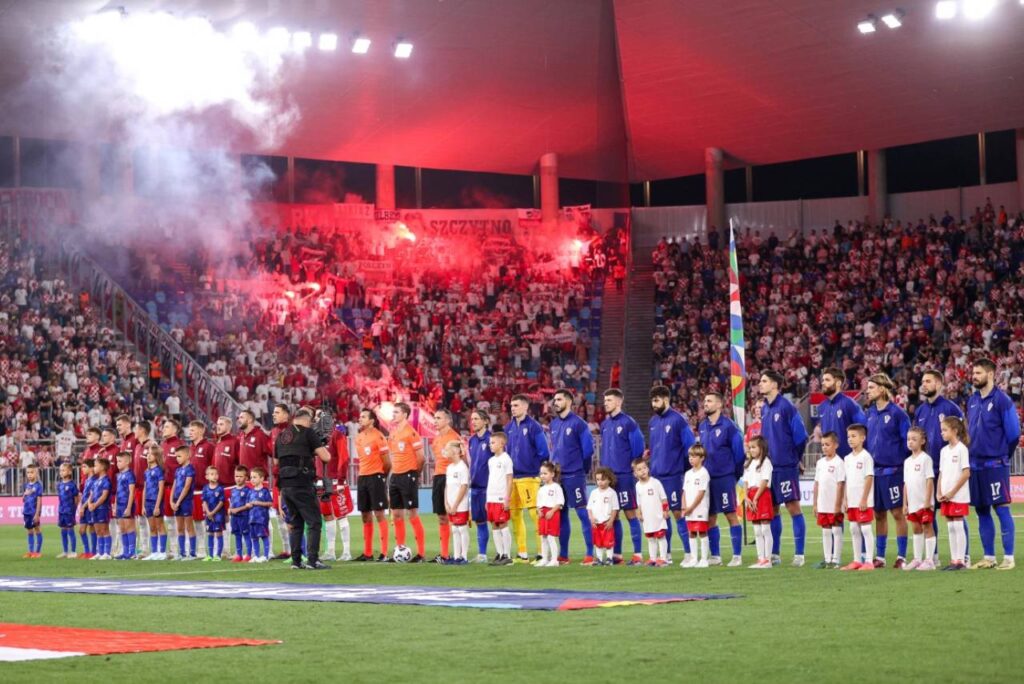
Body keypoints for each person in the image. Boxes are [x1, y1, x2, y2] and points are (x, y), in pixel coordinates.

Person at [965, 358, 1019, 570]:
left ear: (990, 374)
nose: (974, 376)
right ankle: (989, 556)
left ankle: (1008, 557)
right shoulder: (972, 400)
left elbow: (1014, 433)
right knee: (981, 510)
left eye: (978, 373)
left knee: (1002, 509)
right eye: (973, 373)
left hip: (995, 464)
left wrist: (1002, 455)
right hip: (975, 465)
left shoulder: (1002, 400)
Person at [914, 369, 966, 563]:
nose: (924, 384)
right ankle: (932, 556)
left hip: (947, 469)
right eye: (922, 381)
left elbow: (962, 436)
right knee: (929, 512)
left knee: (956, 514)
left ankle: (963, 555)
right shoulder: (919, 410)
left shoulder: (951, 408)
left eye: (928, 381)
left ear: (938, 384)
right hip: (926, 470)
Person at [759, 370, 808, 566]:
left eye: (764, 381)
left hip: (786, 466)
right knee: (772, 509)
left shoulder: (787, 407)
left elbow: (801, 436)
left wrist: (794, 458)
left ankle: (799, 555)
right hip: (769, 468)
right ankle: (775, 553)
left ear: (774, 385)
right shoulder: (765, 408)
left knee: (792, 506)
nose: (760, 384)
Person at [274, 406, 332, 570]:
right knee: (314, 522)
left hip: (285, 485)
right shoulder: (308, 433)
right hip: (302, 483)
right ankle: (313, 560)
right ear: (306, 419)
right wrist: (317, 445)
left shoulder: (281, 436)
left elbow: (277, 462)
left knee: (296, 523)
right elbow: (326, 457)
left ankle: (296, 561)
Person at [864, 373, 911, 569]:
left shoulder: (898, 414)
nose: (868, 391)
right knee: (879, 514)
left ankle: (901, 556)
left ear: (882, 389)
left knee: (897, 513)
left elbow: (907, 443)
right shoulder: (870, 413)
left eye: (871, 387)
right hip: (875, 472)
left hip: (894, 471)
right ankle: (881, 557)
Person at [647, 385, 696, 564]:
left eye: (657, 400)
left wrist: (680, 469)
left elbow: (689, 447)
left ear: (666, 400)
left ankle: (689, 553)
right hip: (657, 476)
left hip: (673, 476)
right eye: (652, 401)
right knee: (661, 515)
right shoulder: (653, 422)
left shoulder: (678, 420)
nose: (654, 404)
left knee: (677, 513)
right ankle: (665, 554)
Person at [697, 392, 746, 567]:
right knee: (710, 517)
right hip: (707, 479)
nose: (705, 404)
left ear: (719, 405)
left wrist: (735, 474)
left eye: (709, 401)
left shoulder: (729, 426)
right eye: (705, 401)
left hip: (725, 477)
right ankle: (715, 556)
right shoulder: (702, 426)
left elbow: (739, 454)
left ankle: (737, 556)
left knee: (731, 514)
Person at [599, 388, 646, 565]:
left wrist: (629, 468)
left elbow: (638, 448)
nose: (606, 403)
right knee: (613, 515)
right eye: (605, 400)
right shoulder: (604, 424)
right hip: (609, 478)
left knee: (630, 513)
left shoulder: (628, 423)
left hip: (625, 475)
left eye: (609, 400)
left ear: (618, 402)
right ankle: (616, 554)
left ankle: (638, 554)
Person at [549, 389, 595, 565]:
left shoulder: (579, 424)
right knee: (561, 514)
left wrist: (580, 470)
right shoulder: (553, 424)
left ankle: (590, 553)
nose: (555, 402)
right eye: (554, 400)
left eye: (559, 399)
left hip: (574, 475)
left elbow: (588, 450)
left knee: (582, 513)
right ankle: (564, 555)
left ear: (568, 402)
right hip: (558, 477)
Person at [505, 394, 549, 563]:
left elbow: (544, 452)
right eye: (511, 405)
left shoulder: (534, 427)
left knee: (535, 515)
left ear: (525, 407)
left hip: (529, 477)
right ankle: (522, 553)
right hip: (513, 479)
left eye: (516, 405)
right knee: (515, 516)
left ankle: (541, 552)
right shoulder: (509, 428)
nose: (513, 408)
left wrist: (534, 469)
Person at [386, 402, 426, 563]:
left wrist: (415, 474)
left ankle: (421, 554)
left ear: (404, 414)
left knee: (412, 513)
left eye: (396, 412)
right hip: (395, 476)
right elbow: (393, 456)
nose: (393, 415)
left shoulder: (412, 433)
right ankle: (399, 549)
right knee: (396, 514)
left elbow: (421, 457)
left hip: (408, 476)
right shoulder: (393, 433)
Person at [354, 408, 390, 562]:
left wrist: (381, 477)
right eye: (360, 416)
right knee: (365, 515)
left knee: (379, 514)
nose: (360, 419)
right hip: (362, 478)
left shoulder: (379, 436)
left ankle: (384, 553)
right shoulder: (359, 437)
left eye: (363, 417)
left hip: (376, 477)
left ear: (372, 420)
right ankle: (368, 553)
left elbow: (387, 462)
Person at [938, 417, 971, 571]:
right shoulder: (943, 451)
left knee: (958, 525)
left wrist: (952, 492)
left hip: (958, 495)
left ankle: (961, 561)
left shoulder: (961, 449)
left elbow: (966, 473)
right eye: (941, 430)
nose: (942, 433)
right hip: (946, 495)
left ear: (955, 431)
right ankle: (954, 559)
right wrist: (939, 492)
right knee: (951, 527)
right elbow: (941, 473)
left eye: (945, 430)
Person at [841, 424, 875, 572]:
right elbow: (846, 480)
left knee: (866, 529)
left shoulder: (866, 456)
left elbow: (869, 478)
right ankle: (856, 560)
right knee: (853, 528)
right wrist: (845, 499)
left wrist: (864, 499)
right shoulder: (847, 458)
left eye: (854, 436)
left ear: (863, 438)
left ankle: (869, 561)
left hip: (863, 500)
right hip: (852, 500)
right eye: (849, 436)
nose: (850, 439)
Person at [902, 427, 936, 571]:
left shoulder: (925, 459)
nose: (910, 442)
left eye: (914, 439)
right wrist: (905, 503)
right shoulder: (907, 461)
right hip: (913, 503)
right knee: (916, 529)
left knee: (927, 528)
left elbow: (929, 480)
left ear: (922, 441)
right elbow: (906, 484)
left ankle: (929, 560)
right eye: (909, 439)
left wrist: (928, 501)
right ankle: (917, 558)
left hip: (924, 502)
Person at [431, 408, 462, 563]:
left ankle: (458, 554)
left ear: (448, 420)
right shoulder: (435, 439)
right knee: (441, 516)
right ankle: (444, 554)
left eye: (438, 418)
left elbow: (462, 461)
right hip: (438, 477)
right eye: (434, 418)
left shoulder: (455, 438)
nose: (435, 421)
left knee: (453, 516)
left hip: (450, 478)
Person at [321, 417, 352, 562]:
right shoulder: (317, 437)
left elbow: (344, 458)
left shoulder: (337, 435)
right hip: (322, 482)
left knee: (341, 514)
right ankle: (331, 551)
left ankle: (346, 552)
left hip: (335, 481)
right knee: (327, 516)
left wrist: (341, 480)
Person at [813, 432, 846, 569]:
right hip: (822, 503)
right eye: (822, 445)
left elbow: (841, 484)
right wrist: (815, 504)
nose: (825, 447)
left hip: (834, 504)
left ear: (836, 445)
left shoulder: (839, 463)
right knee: (825, 531)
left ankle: (836, 559)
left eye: (828, 444)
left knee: (836, 530)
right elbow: (817, 484)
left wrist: (838, 504)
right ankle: (827, 559)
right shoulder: (820, 463)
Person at [818, 367, 866, 457]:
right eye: (823, 380)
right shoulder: (822, 406)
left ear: (838, 383)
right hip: (828, 461)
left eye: (827, 380)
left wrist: (859, 456)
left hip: (847, 462)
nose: (823, 383)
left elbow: (864, 429)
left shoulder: (849, 404)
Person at [742, 437, 773, 569]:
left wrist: (756, 497)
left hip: (762, 495)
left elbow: (765, 481)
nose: (751, 450)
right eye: (750, 447)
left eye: (754, 447)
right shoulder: (748, 464)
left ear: (762, 448)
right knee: (756, 530)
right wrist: (747, 497)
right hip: (751, 495)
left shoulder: (766, 462)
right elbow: (745, 482)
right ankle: (760, 558)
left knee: (765, 527)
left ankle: (768, 559)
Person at [633, 457, 669, 567]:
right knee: (650, 538)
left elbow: (664, 498)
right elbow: (638, 502)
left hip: (658, 515)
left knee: (661, 536)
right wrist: (639, 513)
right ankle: (653, 558)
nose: (643, 471)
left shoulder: (655, 483)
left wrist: (665, 510)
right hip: (647, 517)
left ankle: (663, 558)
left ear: (648, 469)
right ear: (635, 473)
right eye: (639, 469)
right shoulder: (638, 486)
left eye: (644, 468)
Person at [486, 430, 515, 566]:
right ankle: (499, 553)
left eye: (493, 442)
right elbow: (491, 480)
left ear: (502, 443)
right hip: (491, 497)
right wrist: (487, 499)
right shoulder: (491, 461)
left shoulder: (506, 459)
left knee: (503, 524)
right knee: (494, 525)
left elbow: (509, 479)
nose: (490, 445)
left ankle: (507, 555)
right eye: (490, 443)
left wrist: (507, 498)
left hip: (500, 497)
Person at [188, 420, 215, 558]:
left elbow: (214, 467)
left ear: (201, 431)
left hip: (205, 490)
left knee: (207, 521)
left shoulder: (209, 447)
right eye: (189, 430)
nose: (189, 433)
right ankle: (200, 549)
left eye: (192, 430)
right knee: (196, 521)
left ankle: (213, 550)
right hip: (192, 491)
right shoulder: (190, 448)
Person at [468, 409, 492, 563]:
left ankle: (504, 553)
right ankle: (482, 554)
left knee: (497, 521)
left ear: (485, 421)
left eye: (477, 419)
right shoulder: (472, 440)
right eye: (472, 419)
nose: (474, 422)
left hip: (488, 487)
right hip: (475, 486)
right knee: (480, 521)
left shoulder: (491, 439)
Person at [681, 445, 710, 568]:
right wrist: (684, 507)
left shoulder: (703, 473)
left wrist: (691, 508)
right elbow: (684, 492)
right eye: (690, 456)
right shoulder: (688, 474)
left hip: (699, 508)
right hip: (688, 509)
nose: (691, 459)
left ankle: (704, 559)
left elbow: (701, 493)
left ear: (702, 458)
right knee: (691, 532)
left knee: (702, 532)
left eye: (694, 456)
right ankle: (693, 559)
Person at [159, 419, 185, 556]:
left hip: (178, 487)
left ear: (174, 429)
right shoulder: (162, 445)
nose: (163, 429)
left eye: (167, 427)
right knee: (168, 519)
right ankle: (174, 548)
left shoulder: (180, 445)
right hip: (165, 486)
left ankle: (185, 550)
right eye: (164, 426)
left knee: (180, 519)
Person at [443, 440, 471, 565]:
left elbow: (463, 487)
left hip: (460, 504)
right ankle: (456, 556)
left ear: (455, 451)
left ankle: (464, 557)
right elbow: (447, 487)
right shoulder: (449, 468)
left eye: (447, 449)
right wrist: (446, 503)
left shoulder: (462, 467)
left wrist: (455, 504)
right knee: (454, 529)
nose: (445, 452)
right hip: (451, 504)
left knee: (462, 529)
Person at [534, 460, 565, 568]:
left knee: (551, 537)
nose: (542, 476)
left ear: (552, 474)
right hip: (543, 514)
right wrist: (539, 510)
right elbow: (538, 503)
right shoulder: (541, 489)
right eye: (541, 473)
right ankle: (544, 559)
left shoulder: (556, 487)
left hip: (552, 513)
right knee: (543, 537)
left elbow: (560, 502)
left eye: (545, 473)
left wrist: (552, 511)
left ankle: (554, 560)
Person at [587, 467, 620, 565]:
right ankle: (600, 559)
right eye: (598, 480)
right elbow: (589, 508)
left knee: (608, 542)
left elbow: (615, 508)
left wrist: (611, 521)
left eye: (602, 479)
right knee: (598, 542)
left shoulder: (612, 493)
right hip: (596, 523)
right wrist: (591, 518)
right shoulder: (593, 493)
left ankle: (609, 559)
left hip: (606, 522)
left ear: (609, 480)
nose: (600, 482)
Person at [170, 445, 196, 560]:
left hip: (185, 501)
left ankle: (192, 553)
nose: (177, 458)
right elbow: (174, 486)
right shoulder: (178, 470)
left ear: (187, 455)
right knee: (179, 527)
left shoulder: (190, 469)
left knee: (189, 527)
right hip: (176, 502)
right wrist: (171, 501)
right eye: (176, 456)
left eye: (179, 456)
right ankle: (181, 553)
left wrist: (179, 501)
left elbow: (186, 487)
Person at [142, 444, 167, 560]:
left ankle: (162, 552)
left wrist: (157, 505)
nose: (148, 455)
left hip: (156, 502)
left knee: (160, 525)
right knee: (152, 527)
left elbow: (161, 488)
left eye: (151, 454)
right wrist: (143, 505)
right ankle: (154, 551)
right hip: (147, 503)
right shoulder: (146, 471)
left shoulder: (159, 471)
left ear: (156, 456)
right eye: (147, 453)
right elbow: (145, 489)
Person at [114, 452, 137, 560]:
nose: (117, 463)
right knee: (122, 528)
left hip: (127, 504)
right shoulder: (119, 475)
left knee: (129, 527)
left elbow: (132, 492)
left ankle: (132, 552)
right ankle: (125, 551)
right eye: (117, 461)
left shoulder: (130, 475)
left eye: (120, 461)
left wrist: (128, 507)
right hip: (119, 505)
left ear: (127, 462)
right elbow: (118, 492)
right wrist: (115, 506)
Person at [88, 458, 113, 560]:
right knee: (98, 530)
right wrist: (90, 503)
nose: (94, 468)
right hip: (94, 509)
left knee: (104, 530)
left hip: (102, 508)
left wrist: (95, 504)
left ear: (102, 467)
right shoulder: (95, 481)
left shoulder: (106, 480)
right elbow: (91, 494)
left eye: (96, 465)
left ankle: (107, 553)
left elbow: (104, 496)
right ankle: (100, 552)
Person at [248, 467, 274, 563]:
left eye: (255, 477)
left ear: (262, 478)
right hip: (252, 519)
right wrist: (248, 505)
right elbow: (248, 503)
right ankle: (256, 556)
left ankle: (266, 556)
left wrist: (259, 503)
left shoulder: (265, 491)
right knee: (254, 538)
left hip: (262, 519)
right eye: (251, 477)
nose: (252, 479)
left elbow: (270, 503)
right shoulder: (250, 491)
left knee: (264, 536)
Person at [201, 465, 226, 562]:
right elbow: (204, 501)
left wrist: (213, 512)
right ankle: (210, 555)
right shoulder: (205, 488)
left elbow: (221, 502)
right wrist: (208, 512)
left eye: (216, 474)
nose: (214, 476)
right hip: (208, 515)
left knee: (218, 534)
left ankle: (218, 555)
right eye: (212, 474)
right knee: (210, 534)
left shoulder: (220, 489)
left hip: (218, 515)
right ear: (206, 476)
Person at [229, 465, 253, 562]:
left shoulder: (248, 490)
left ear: (246, 478)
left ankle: (248, 554)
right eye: (236, 476)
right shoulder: (233, 490)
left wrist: (237, 509)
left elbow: (249, 505)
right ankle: (238, 555)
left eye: (240, 476)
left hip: (244, 516)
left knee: (246, 535)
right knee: (237, 535)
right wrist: (230, 508)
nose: (238, 479)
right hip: (234, 517)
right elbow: (231, 502)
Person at [56, 462, 79, 559]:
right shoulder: (59, 485)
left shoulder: (72, 485)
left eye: (63, 470)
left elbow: (77, 498)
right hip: (62, 511)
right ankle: (65, 551)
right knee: (63, 531)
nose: (61, 472)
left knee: (70, 530)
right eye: (60, 470)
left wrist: (74, 509)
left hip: (69, 511)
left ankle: (73, 551)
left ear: (69, 472)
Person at [22, 463, 43, 559]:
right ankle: (30, 551)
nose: (29, 474)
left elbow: (39, 501)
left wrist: (37, 514)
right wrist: (24, 495)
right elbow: (24, 499)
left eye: (31, 472)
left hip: (34, 512)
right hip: (26, 512)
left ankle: (38, 552)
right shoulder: (26, 485)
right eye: (28, 473)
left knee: (37, 529)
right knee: (29, 531)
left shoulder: (38, 485)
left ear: (36, 473)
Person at [77, 459, 97, 559]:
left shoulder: (94, 480)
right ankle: (87, 551)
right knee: (81, 530)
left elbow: (92, 496)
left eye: (84, 467)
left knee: (91, 529)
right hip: (84, 508)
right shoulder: (86, 479)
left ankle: (93, 552)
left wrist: (84, 506)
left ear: (91, 468)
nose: (82, 469)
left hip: (89, 507)